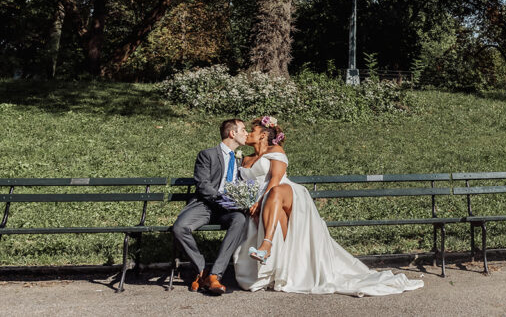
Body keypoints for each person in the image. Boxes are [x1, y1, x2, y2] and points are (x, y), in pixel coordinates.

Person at [233, 116, 424, 295]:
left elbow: (275, 179)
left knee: (274, 193)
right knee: (271, 206)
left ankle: (265, 246)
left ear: (264, 134)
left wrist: (258, 202)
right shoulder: (245, 158)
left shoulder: (276, 152)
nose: (247, 134)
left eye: (251, 130)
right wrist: (248, 202)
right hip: (263, 204)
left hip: (286, 194)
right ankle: (279, 269)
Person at [172, 118, 250, 294]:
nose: (247, 133)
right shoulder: (207, 155)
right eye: (243, 130)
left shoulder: (241, 158)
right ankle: (202, 271)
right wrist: (224, 198)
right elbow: (203, 185)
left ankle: (215, 275)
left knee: (239, 220)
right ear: (232, 133)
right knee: (180, 228)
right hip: (205, 205)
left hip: (229, 211)